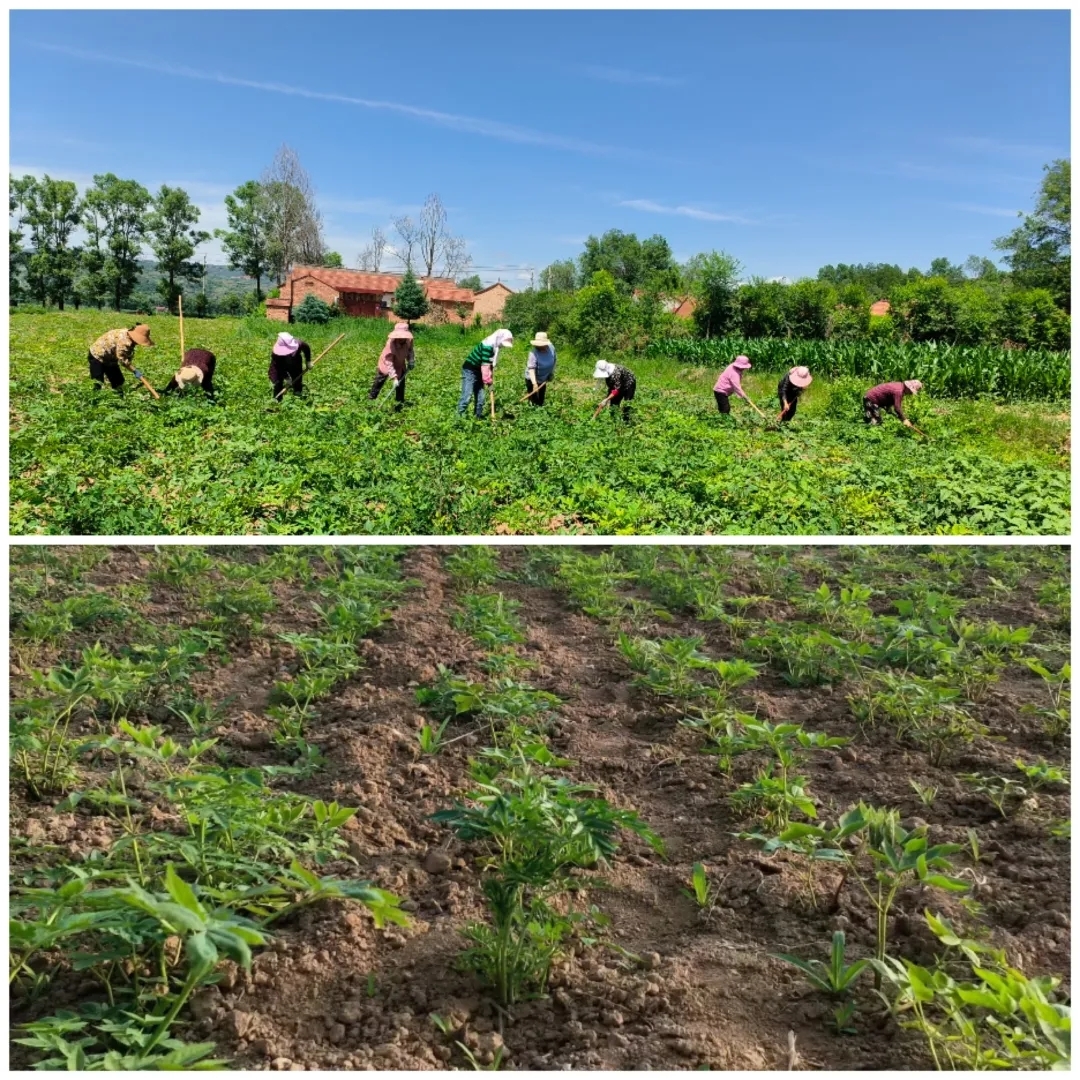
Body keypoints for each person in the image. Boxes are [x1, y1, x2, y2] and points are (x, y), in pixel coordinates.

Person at [458, 329, 513, 418]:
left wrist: (490, 376)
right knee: (466, 396)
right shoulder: (488, 345)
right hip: (470, 370)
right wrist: (489, 382)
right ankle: (459, 419)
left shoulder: (495, 347)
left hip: (480, 371)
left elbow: (490, 365)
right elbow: (485, 366)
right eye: (503, 343)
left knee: (481, 398)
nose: (502, 346)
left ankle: (478, 418)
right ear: (499, 338)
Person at [87, 324, 154, 392]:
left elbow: (126, 355)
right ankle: (94, 399)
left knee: (118, 380)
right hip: (96, 355)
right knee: (98, 381)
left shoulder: (127, 333)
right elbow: (123, 360)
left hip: (110, 358)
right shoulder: (124, 342)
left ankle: (118, 397)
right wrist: (134, 370)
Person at [370, 322, 414, 409]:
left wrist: (411, 360)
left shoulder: (409, 341)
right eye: (399, 337)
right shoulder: (390, 345)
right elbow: (388, 362)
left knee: (401, 384)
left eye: (403, 337)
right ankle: (371, 399)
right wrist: (394, 378)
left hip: (400, 364)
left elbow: (410, 350)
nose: (401, 338)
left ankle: (399, 404)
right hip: (386, 364)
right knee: (379, 381)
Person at [269, 332, 312, 399]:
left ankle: (298, 393)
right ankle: (277, 398)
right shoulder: (276, 354)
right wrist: (286, 378)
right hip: (280, 365)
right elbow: (279, 367)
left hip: (295, 362)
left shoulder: (299, 344)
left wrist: (308, 361)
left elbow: (306, 348)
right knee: (278, 381)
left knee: (297, 376)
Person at [524, 331, 557, 406]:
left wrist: (551, 373)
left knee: (541, 397)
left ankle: (540, 408)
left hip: (544, 378)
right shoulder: (533, 353)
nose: (539, 346)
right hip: (532, 378)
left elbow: (554, 360)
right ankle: (532, 412)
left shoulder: (551, 348)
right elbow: (531, 369)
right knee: (534, 398)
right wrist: (534, 384)